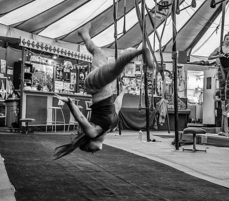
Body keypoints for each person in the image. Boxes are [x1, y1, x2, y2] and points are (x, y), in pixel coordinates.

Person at [53, 23, 154, 159]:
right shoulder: (111, 125)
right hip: (105, 86)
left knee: (115, 70)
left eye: (89, 150)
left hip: (95, 85)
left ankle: (139, 52)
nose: (93, 152)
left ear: (88, 142)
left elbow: (81, 117)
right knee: (98, 52)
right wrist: (123, 91)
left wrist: (70, 103)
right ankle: (84, 34)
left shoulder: (93, 133)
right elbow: (116, 107)